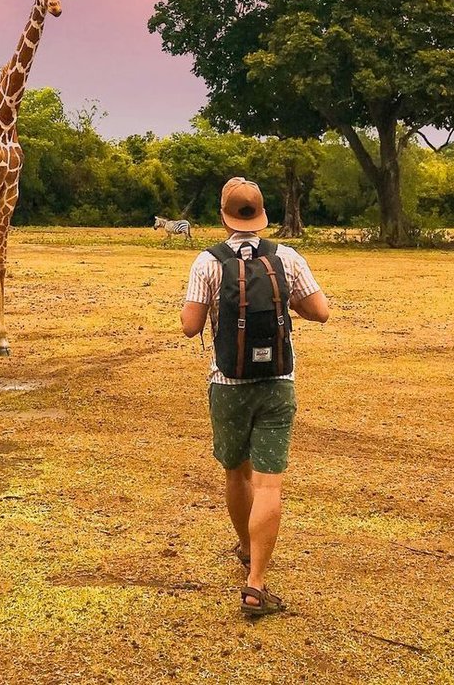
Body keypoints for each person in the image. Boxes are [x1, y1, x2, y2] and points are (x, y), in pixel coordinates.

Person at [180, 176, 330, 617]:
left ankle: (246, 547)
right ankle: (256, 584)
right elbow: (320, 312)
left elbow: (190, 326)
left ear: (223, 215)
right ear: (262, 214)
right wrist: (287, 304)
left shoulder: (207, 262)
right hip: (277, 383)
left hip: (227, 386)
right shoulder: (287, 258)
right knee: (269, 483)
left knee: (236, 474)